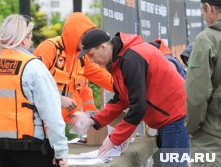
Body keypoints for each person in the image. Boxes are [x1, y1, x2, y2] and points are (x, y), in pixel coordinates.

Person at [77, 29, 189, 166]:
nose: (92, 61)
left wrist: (114, 139)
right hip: (166, 117)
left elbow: (138, 107)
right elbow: (121, 98)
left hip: (174, 116)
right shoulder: (118, 60)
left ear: (103, 47)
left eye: (91, 55)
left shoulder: (131, 58)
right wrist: (93, 121)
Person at [0, 14, 68, 167]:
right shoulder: (32, 66)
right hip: (32, 149)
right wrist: (61, 151)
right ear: (24, 38)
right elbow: (51, 113)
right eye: (30, 37)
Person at [34, 12, 113, 122]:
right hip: (40, 121)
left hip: (59, 123)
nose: (88, 40)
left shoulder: (82, 57)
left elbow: (104, 77)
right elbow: (33, 83)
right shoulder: (49, 48)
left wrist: (128, 90)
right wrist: (59, 99)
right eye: (86, 35)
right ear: (76, 33)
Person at [185, 0, 221, 166]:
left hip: (211, 137)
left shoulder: (206, 40)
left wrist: (192, 127)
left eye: (203, 10)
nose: (203, 15)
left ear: (209, 8)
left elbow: (197, 95)